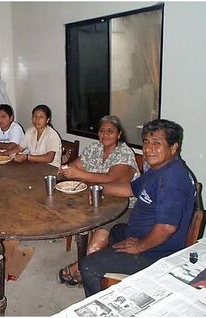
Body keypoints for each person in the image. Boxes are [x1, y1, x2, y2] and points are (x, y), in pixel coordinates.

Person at [79, 119, 196, 296]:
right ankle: (97, 262)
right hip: (140, 234)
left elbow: (166, 227)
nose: (148, 149)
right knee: (115, 230)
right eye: (146, 142)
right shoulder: (159, 169)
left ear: (173, 147)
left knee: (88, 266)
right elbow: (130, 189)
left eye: (157, 143)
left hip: (156, 251)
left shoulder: (172, 178)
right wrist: (98, 188)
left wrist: (139, 246)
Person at [57, 115, 140, 287]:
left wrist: (79, 174)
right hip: (95, 201)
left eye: (110, 131)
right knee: (63, 212)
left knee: (94, 246)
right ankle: (84, 263)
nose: (105, 135)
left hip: (123, 207)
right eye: (102, 131)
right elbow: (75, 165)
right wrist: (66, 168)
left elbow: (111, 178)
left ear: (119, 134)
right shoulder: (94, 148)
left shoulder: (125, 153)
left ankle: (79, 269)